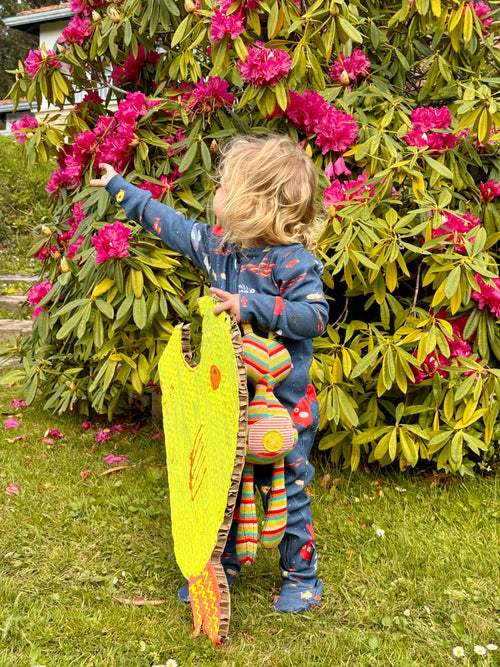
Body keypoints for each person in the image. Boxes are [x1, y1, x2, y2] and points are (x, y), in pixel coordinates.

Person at [90, 134, 329, 613]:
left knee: (288, 492)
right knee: (226, 488)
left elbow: (315, 317)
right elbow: (169, 224)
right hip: (228, 406)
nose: (214, 195)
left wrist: (250, 306)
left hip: (284, 411)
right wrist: (119, 187)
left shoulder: (294, 263)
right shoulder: (218, 248)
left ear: (254, 203)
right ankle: (227, 567)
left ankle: (302, 576)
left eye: (224, 187)